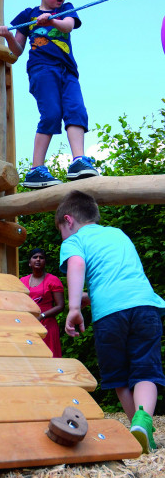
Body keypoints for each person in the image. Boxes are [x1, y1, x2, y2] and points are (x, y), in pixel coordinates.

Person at [56, 189, 165, 453]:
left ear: (68, 221)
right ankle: (142, 423)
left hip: (109, 317)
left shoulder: (75, 241)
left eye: (62, 230)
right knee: (145, 370)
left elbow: (77, 266)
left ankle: (137, 431)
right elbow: (117, 278)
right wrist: (88, 296)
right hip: (144, 307)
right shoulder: (118, 234)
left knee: (118, 377)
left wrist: (73, 307)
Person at [0, 0, 98, 189]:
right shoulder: (28, 16)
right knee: (51, 113)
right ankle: (36, 170)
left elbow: (68, 27)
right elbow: (17, 51)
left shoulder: (66, 10)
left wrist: (51, 21)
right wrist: (6, 37)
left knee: (77, 110)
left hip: (68, 70)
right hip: (42, 69)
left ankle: (79, 161)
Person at [20, 247, 64, 357]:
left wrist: (42, 316)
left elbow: (61, 306)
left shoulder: (53, 280)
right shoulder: (22, 281)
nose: (38, 260)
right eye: (35, 257)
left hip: (47, 326)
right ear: (30, 263)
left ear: (45, 262)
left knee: (50, 357)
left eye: (41, 258)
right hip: (28, 325)